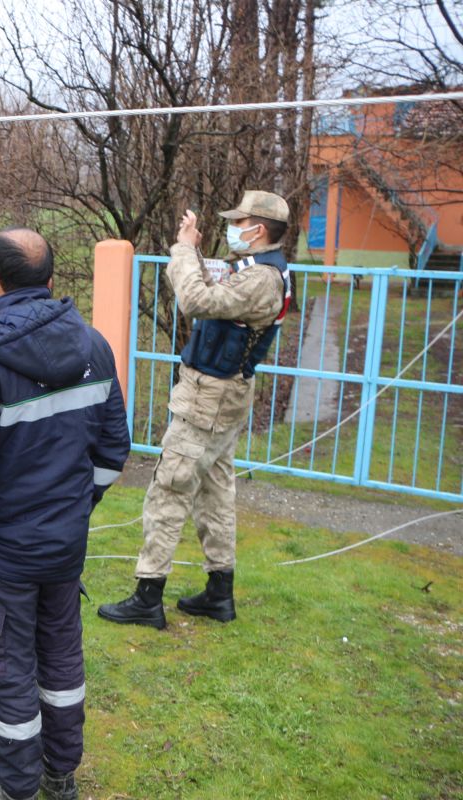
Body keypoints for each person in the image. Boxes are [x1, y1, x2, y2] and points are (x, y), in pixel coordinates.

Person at [0, 228, 130, 800]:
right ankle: (58, 777)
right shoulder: (95, 345)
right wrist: (76, 509)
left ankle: (15, 788)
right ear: (50, 281)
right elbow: (114, 452)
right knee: (62, 657)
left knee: (9, 669)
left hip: (3, 554)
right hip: (64, 548)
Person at [97, 191, 293, 630]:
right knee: (216, 490)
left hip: (209, 399)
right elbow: (215, 295)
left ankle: (148, 596)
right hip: (223, 396)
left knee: (170, 487)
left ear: (258, 229)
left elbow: (194, 300)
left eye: (239, 222)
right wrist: (198, 255)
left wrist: (185, 248)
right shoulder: (263, 272)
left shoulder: (262, 279)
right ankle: (218, 593)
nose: (234, 228)